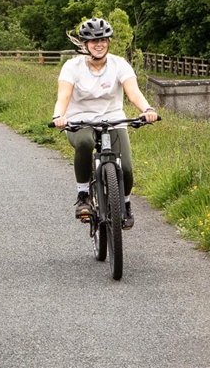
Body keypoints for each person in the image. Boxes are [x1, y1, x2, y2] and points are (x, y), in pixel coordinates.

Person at [51, 18, 158, 228]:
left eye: (102, 40)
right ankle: (83, 196)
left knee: (125, 168)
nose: (98, 44)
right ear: (84, 44)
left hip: (113, 118)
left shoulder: (119, 64)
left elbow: (133, 92)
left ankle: (125, 205)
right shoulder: (72, 66)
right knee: (84, 143)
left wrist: (147, 109)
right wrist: (58, 117)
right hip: (79, 120)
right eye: (93, 41)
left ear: (108, 41)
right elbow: (63, 97)